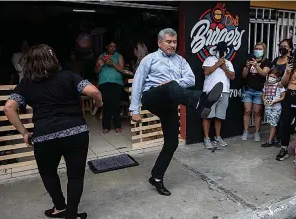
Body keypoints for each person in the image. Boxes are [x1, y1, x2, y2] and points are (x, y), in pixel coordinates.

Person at [4, 44, 103, 219]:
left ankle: (60, 207)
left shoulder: (26, 84)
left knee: (48, 173)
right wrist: (99, 103)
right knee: (75, 176)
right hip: (75, 132)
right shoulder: (68, 76)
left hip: (44, 136)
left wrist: (24, 132)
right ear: (52, 59)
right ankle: (71, 217)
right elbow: (94, 91)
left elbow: (9, 107)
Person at [130, 28, 223, 196]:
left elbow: (190, 80)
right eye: (168, 42)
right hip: (152, 96)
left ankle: (156, 177)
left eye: (174, 42)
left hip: (169, 102)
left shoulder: (180, 61)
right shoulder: (149, 59)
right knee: (172, 86)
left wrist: (171, 82)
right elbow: (138, 82)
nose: (172, 45)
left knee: (172, 143)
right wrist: (134, 109)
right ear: (159, 43)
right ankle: (201, 101)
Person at [202, 41, 235, 149]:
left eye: (224, 50)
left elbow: (232, 76)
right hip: (211, 91)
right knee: (208, 116)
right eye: (220, 50)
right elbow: (206, 72)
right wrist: (217, 64)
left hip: (224, 91)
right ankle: (206, 138)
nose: (222, 52)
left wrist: (224, 67)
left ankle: (217, 137)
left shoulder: (228, 63)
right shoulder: (209, 59)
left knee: (219, 116)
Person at [95, 40, 133, 134]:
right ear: (107, 47)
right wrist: (101, 64)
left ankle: (117, 125)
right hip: (104, 82)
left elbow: (122, 70)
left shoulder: (119, 56)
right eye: (111, 46)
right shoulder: (101, 56)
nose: (112, 48)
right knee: (107, 103)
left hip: (117, 82)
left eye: (114, 47)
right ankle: (106, 126)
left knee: (116, 103)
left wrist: (112, 64)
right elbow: (96, 71)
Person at [242, 42, 271, 142]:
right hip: (248, 90)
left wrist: (257, 66)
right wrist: (247, 67)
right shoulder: (249, 60)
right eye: (256, 49)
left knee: (257, 112)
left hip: (259, 91)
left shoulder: (266, 62)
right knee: (247, 111)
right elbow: (244, 75)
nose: (258, 51)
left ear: (264, 51)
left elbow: (264, 74)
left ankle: (257, 132)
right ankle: (245, 131)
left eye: (260, 49)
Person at [261, 69, 286, 147]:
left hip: (276, 108)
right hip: (268, 107)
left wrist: (275, 101)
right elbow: (263, 94)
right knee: (271, 124)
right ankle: (275, 139)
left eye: (273, 77)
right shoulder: (266, 85)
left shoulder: (279, 86)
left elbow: (283, 96)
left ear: (278, 78)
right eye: (270, 76)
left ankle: (270, 141)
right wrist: (264, 100)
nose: (271, 78)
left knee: (273, 125)